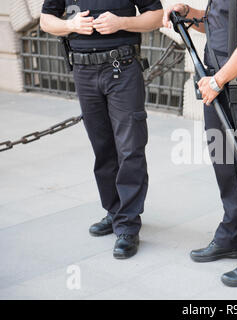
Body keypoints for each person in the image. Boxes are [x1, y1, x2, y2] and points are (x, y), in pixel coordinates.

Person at [163, 0, 237, 287]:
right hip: (215, 86)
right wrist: (189, 14)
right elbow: (220, 24)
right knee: (225, 166)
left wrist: (217, 80)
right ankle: (231, 237)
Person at [40, 0, 164, 259]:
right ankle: (115, 211)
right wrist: (69, 25)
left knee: (130, 148)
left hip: (122, 68)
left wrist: (122, 22)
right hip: (84, 71)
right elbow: (45, 20)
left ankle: (128, 226)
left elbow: (156, 15)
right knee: (103, 148)